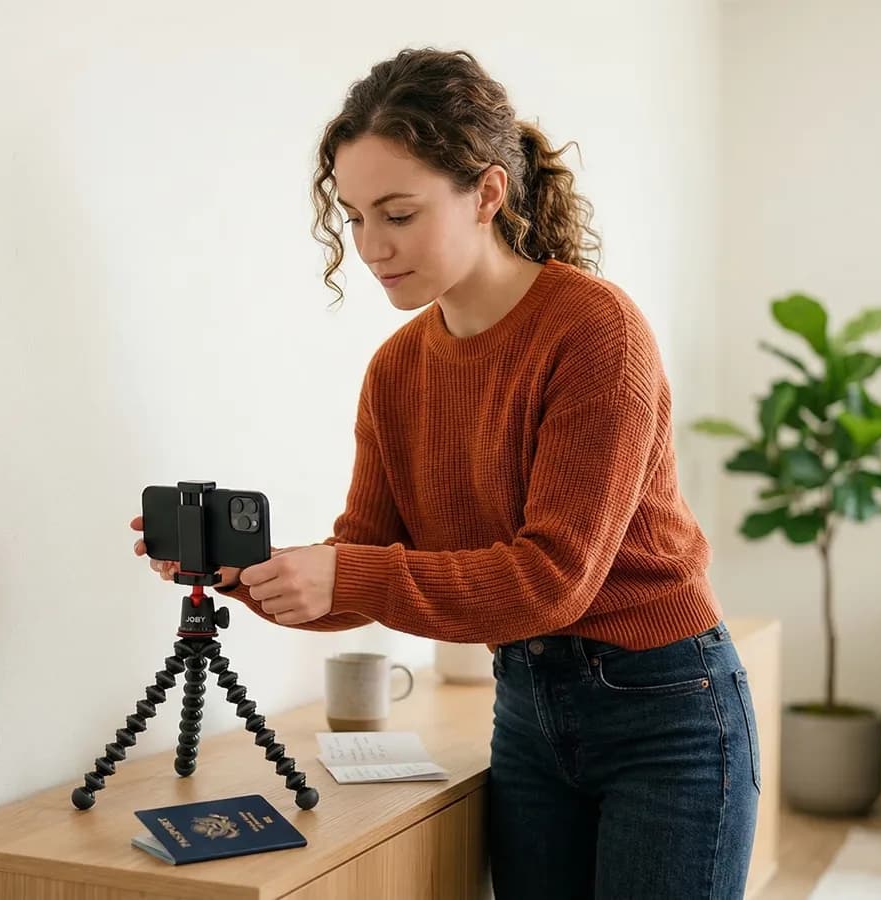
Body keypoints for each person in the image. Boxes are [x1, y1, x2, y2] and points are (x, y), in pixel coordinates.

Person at [131, 47, 758, 900]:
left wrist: (346, 571)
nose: (370, 247)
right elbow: (364, 560)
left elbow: (553, 579)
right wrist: (245, 573)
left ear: (488, 193)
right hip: (527, 714)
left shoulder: (595, 332)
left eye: (398, 213)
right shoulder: (396, 371)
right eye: (353, 217)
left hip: (666, 711)